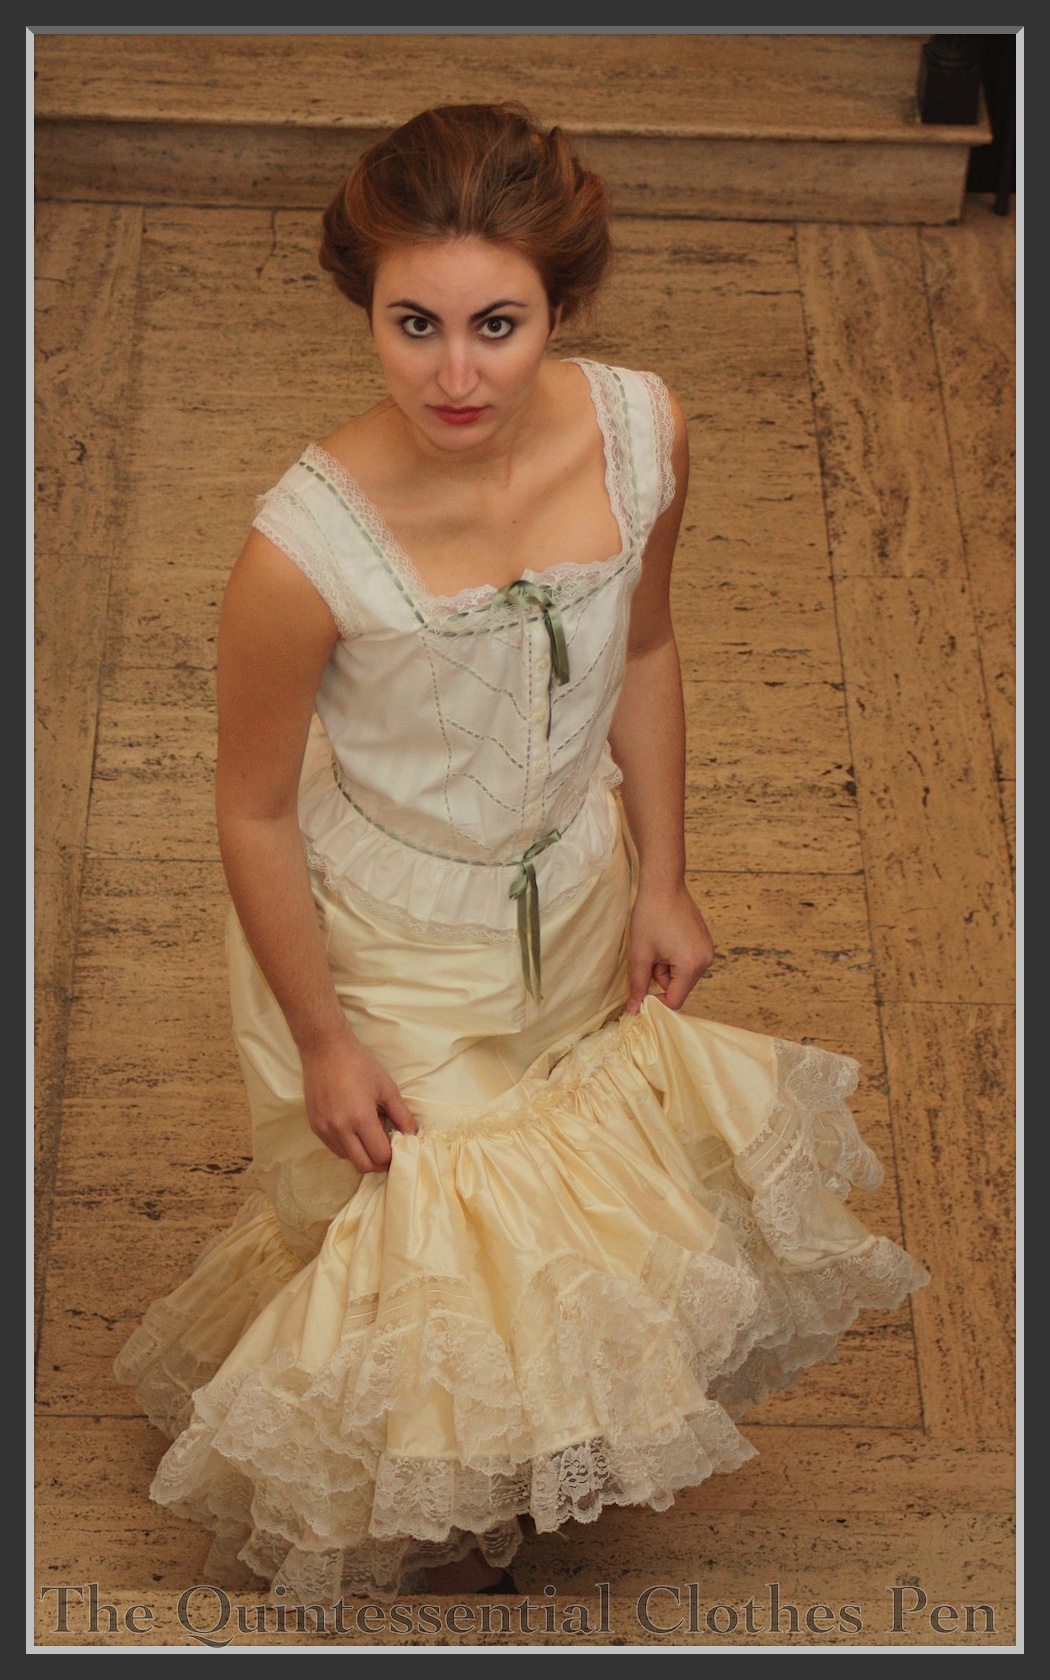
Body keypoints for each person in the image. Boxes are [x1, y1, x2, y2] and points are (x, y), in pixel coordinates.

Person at [114, 101, 929, 1605]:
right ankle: (436, 1518)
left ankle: (516, 1465)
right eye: (411, 325)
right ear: (363, 307)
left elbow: (647, 648)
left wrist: (664, 873)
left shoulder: (643, 436)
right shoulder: (298, 553)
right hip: (390, 944)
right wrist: (325, 1040)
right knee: (437, 1243)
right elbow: (251, 811)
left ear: (561, 306)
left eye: (497, 325)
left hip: (581, 890)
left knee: (561, 1230)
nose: (454, 374)